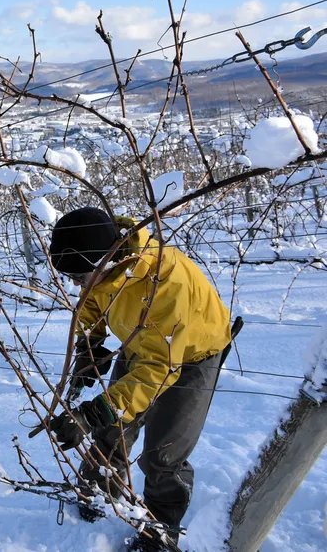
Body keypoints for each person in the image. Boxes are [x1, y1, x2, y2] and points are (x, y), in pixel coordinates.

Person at [45, 207, 232, 552]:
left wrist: (94, 412)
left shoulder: (165, 283)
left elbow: (159, 367)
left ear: (108, 262)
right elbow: (92, 301)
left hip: (191, 357)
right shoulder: (108, 268)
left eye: (79, 276)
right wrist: (91, 342)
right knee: (113, 431)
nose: (75, 284)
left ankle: (159, 533)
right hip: (141, 343)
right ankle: (99, 489)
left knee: (163, 454)